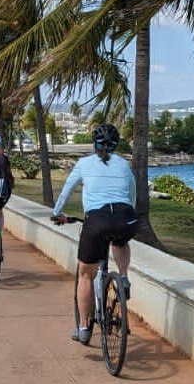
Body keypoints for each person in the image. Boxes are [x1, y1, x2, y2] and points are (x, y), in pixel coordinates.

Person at [51, 122, 138, 345]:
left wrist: (57, 213)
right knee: (120, 241)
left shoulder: (84, 163)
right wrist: (130, 215)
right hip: (125, 217)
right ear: (116, 145)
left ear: (94, 144)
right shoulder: (124, 164)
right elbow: (132, 193)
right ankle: (124, 277)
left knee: (85, 274)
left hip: (97, 221)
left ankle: (83, 328)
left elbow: (67, 189)